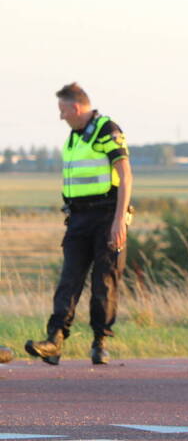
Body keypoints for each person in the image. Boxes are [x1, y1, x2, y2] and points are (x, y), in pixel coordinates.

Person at [25, 83, 132, 366]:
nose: (61, 116)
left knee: (104, 281)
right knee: (69, 279)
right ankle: (55, 340)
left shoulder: (106, 130)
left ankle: (100, 342)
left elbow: (125, 175)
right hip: (79, 218)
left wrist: (119, 220)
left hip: (107, 215)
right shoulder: (74, 137)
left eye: (62, 111)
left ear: (75, 107)